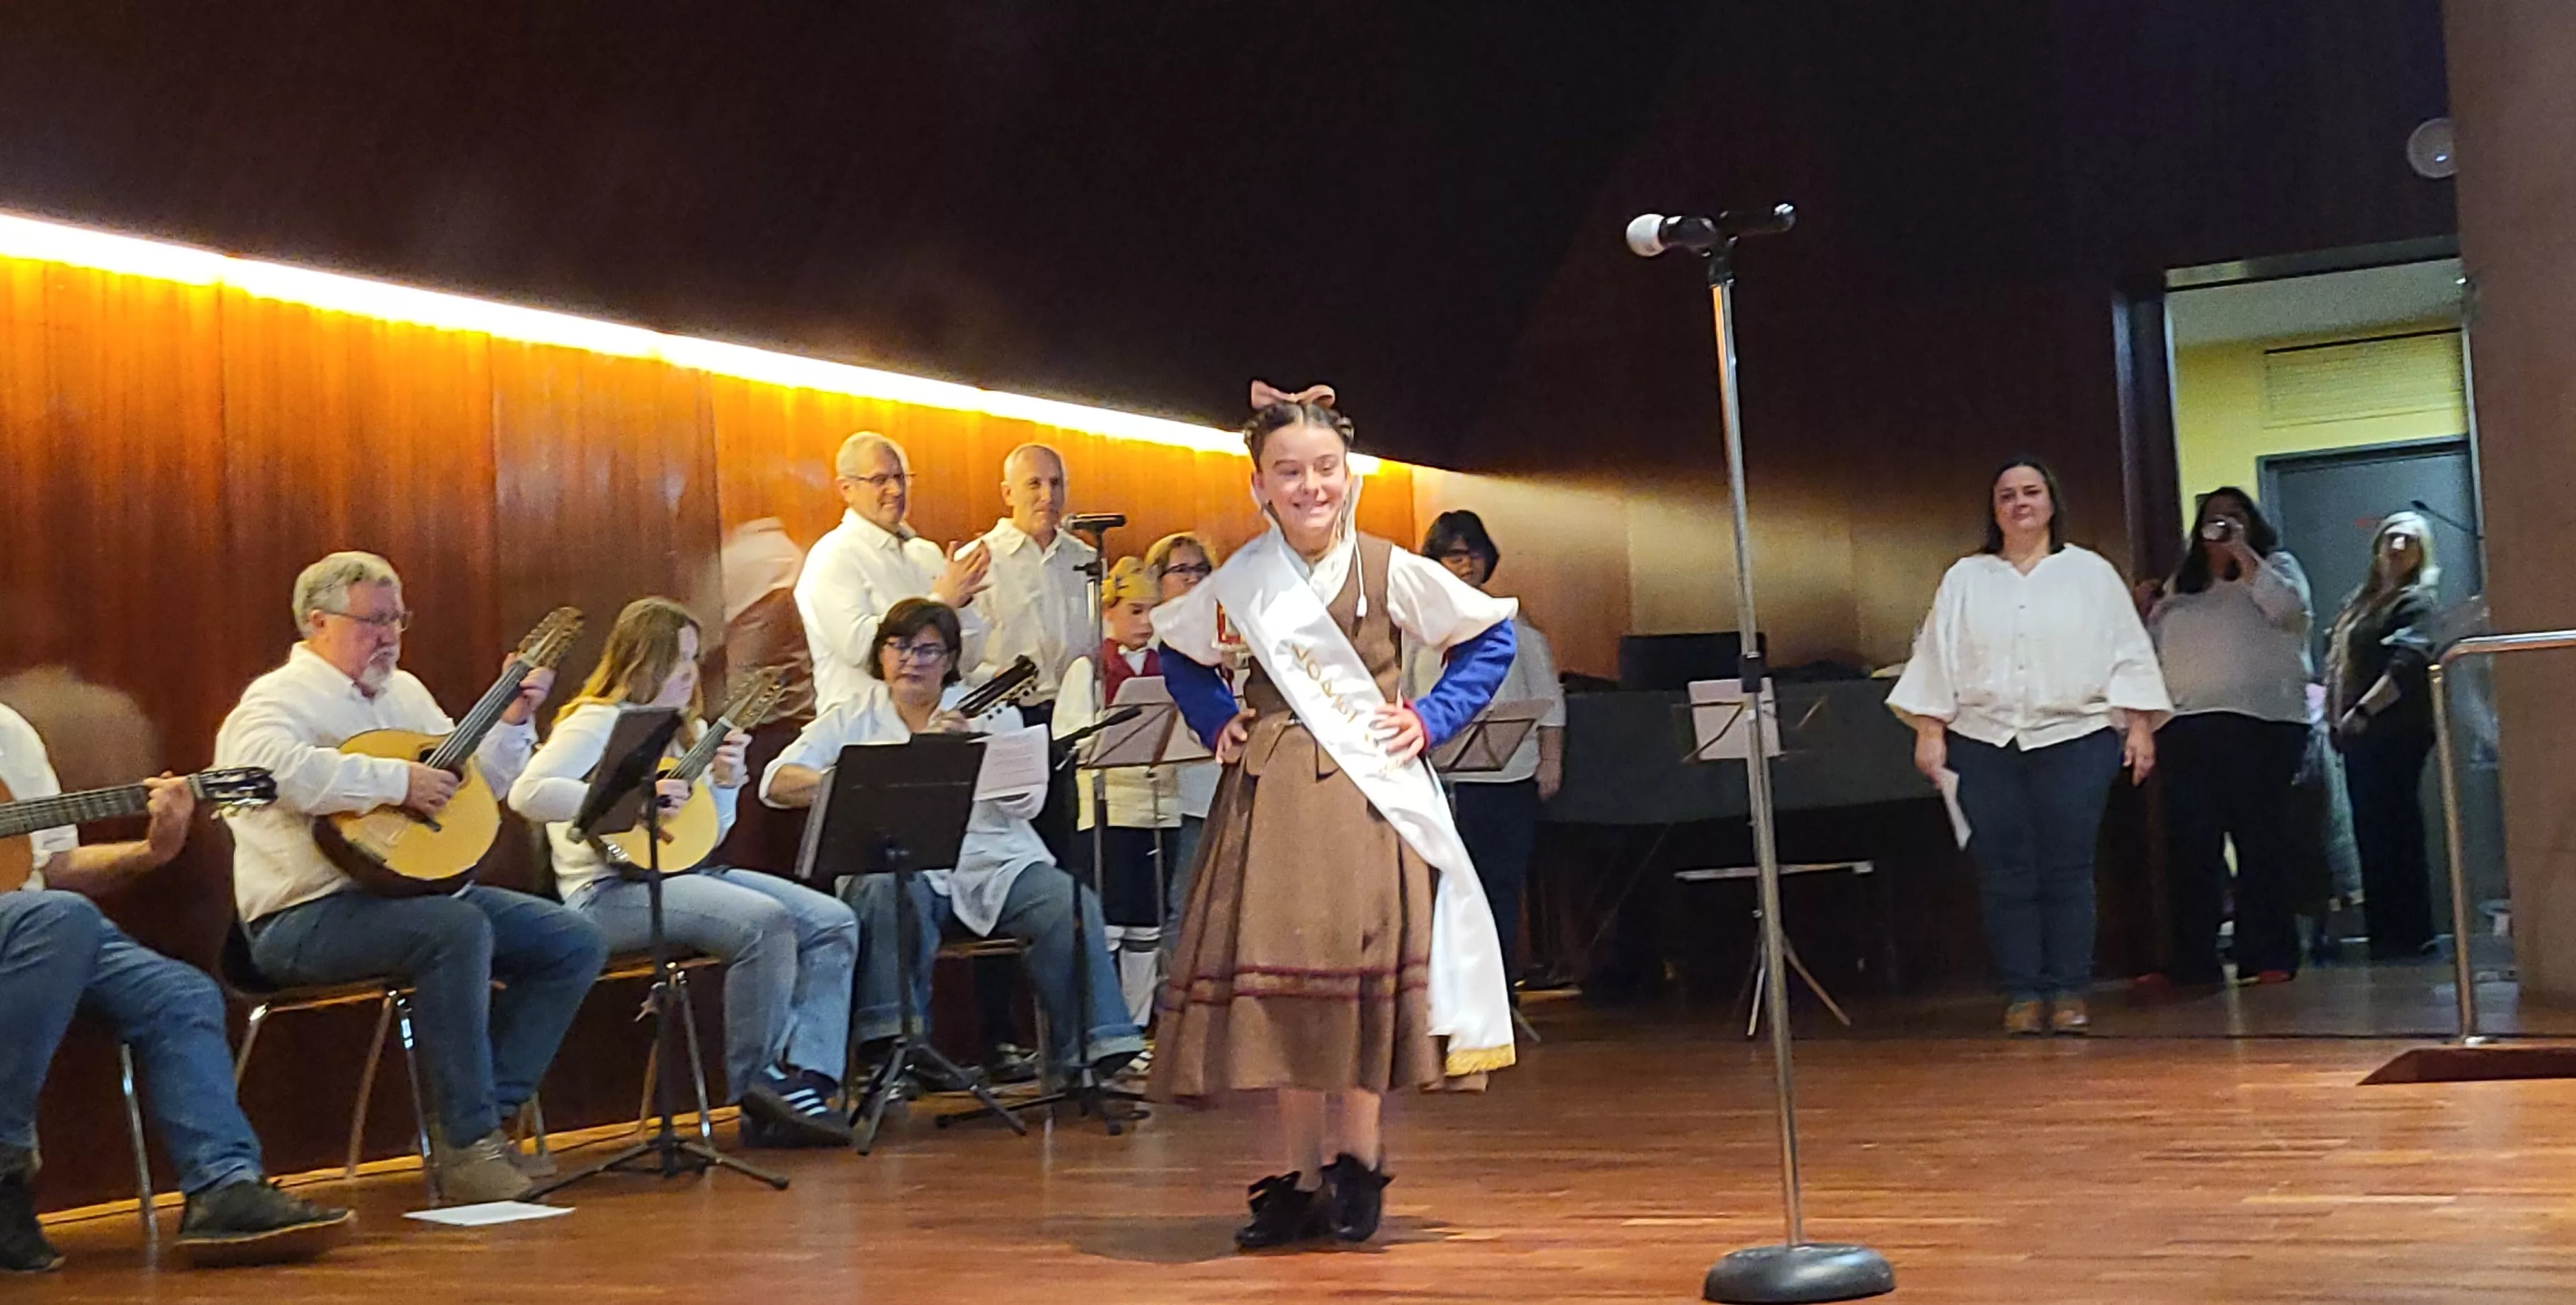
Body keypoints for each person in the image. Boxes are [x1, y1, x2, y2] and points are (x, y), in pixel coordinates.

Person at [1150, 382, 1518, 1252]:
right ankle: (1301, 1180)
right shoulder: (1242, 579)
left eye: (1325, 469)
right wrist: (1215, 715)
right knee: (1286, 991)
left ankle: (1359, 1162)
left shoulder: (1393, 568)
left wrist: (1430, 716)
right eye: (1289, 473)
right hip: (1273, 797)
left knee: (1355, 982)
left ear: (1348, 476)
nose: (1310, 487)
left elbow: (1491, 635)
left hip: (1367, 797)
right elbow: (1178, 649)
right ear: (1260, 486)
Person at [213, 551, 609, 1204]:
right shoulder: (275, 701)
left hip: (409, 896)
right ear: (318, 622)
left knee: (572, 941)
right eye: (373, 620)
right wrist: (395, 780)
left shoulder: (406, 693)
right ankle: (465, 1144)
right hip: (304, 917)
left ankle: (486, 1118)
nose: (390, 635)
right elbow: (269, 771)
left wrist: (511, 725)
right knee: (454, 929)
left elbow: (481, 790)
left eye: (398, 619)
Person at [0, 706, 351, 1272]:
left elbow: (56, 865)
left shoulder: (6, 731)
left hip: (41, 927)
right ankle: (4, 1167)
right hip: (43, 926)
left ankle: (224, 1187)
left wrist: (149, 852)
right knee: (62, 918)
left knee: (179, 994)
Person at [508, 597, 858, 1148]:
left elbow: (702, 836)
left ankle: (806, 1078)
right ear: (644, 658)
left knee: (832, 920)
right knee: (762, 922)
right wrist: (629, 794)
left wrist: (725, 781)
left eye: (695, 659)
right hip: (605, 892)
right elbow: (528, 792)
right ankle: (756, 1084)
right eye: (681, 658)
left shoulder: (685, 730)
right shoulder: (595, 721)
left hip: (680, 876)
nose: (691, 673)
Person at [759, 598, 1143, 1088]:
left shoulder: (992, 713)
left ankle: (1094, 1050)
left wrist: (970, 756)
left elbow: (1024, 805)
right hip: (897, 862)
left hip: (991, 860)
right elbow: (775, 781)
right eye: (898, 647)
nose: (911, 660)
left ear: (950, 660)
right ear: (881, 655)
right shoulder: (850, 717)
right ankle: (893, 1052)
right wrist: (865, 779)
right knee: (885, 889)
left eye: (927, 651)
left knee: (1066, 903)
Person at [1889, 459, 2171, 1036]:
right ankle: (2022, 993)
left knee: (2069, 868)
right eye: (2007, 495)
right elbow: (1938, 654)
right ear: (1994, 509)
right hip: (1985, 739)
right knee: (2004, 871)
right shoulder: (1966, 577)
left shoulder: (2090, 573)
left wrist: (2139, 725)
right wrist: (1929, 729)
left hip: (2075, 737)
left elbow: (2128, 651)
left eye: (2031, 492)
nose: (2020, 503)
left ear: (2051, 502)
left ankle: (2068, 991)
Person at [2137, 488, 2315, 990]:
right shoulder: (2181, 585)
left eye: (2233, 519)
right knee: (2192, 847)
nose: (2221, 528)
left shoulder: (2276, 567)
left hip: (2263, 725)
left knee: (2260, 842)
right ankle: (2193, 960)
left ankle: (2270, 953)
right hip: (2187, 728)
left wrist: (2243, 554)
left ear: (2252, 523)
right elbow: (2154, 650)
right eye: (2212, 521)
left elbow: (2290, 612)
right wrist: (2144, 612)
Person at [1407, 509, 1566, 985]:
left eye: (1473, 553)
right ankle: (1446, 994)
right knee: (1440, 891)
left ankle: (1496, 993)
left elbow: (1551, 703)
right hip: (1439, 780)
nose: (1465, 564)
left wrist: (1551, 761)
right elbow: (1405, 699)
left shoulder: (1519, 631)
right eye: (1453, 554)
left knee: (1498, 885)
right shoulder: (1417, 637)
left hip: (1506, 778)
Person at [1057, 558, 1182, 1030]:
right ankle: (1105, 1029)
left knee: (1148, 923)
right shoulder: (1088, 668)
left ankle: (1137, 1024)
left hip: (1159, 806)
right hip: (1110, 807)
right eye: (1135, 611)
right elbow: (1068, 738)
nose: (1146, 623)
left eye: (1153, 611)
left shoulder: (1169, 666)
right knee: (1111, 919)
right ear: (1108, 611)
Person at [794, 431, 993, 713]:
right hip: (864, 729)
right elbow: (862, 650)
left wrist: (963, 602)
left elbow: (966, 662)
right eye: (880, 480)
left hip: (933, 723)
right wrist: (940, 602)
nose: (896, 491)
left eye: (900, 478)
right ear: (846, 489)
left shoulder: (925, 554)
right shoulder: (833, 555)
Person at [2326, 511, 2442, 961]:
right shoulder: (2359, 602)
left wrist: (2362, 710)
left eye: (2409, 540)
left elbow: (2407, 666)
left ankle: (2410, 933)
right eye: (2390, 537)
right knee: (2371, 831)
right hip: (2358, 735)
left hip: (2394, 731)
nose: (2397, 546)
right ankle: (2385, 933)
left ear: (2421, 552)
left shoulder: (2418, 602)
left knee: (2396, 829)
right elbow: (2336, 660)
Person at [1145, 531, 1229, 965]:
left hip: (1226, 782)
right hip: (1176, 793)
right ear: (1159, 580)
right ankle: (1172, 1003)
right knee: (1185, 900)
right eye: (1182, 571)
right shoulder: (1159, 641)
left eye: (1202, 570)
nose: (1194, 579)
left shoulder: (1230, 630)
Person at [972, 444, 1097, 717]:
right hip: (1004, 713)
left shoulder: (1086, 558)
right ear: (1008, 493)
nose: (1047, 496)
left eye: (1056, 483)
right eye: (1034, 484)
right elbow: (958, 659)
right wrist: (996, 677)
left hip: (1077, 712)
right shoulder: (977, 560)